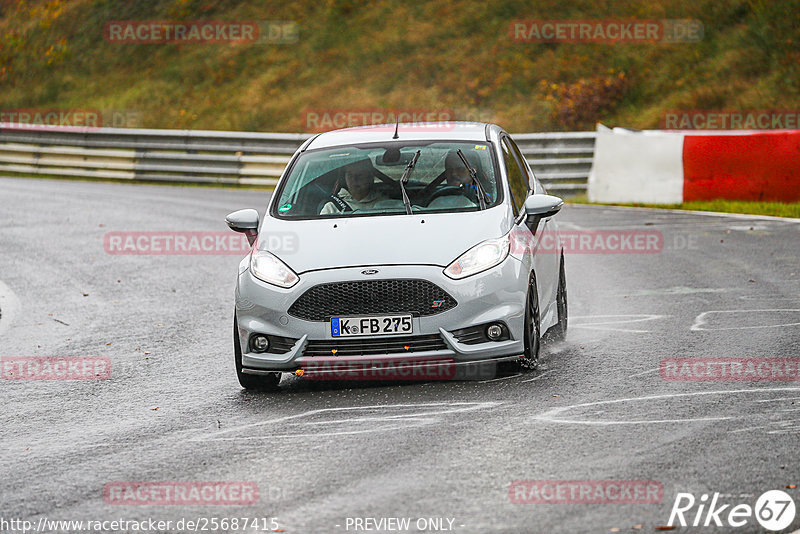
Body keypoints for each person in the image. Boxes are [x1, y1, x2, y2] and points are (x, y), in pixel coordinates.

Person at [319, 158, 388, 214]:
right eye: (350, 175)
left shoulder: (385, 204)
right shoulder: (332, 207)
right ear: (345, 178)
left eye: (360, 175)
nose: (354, 179)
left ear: (370, 177)